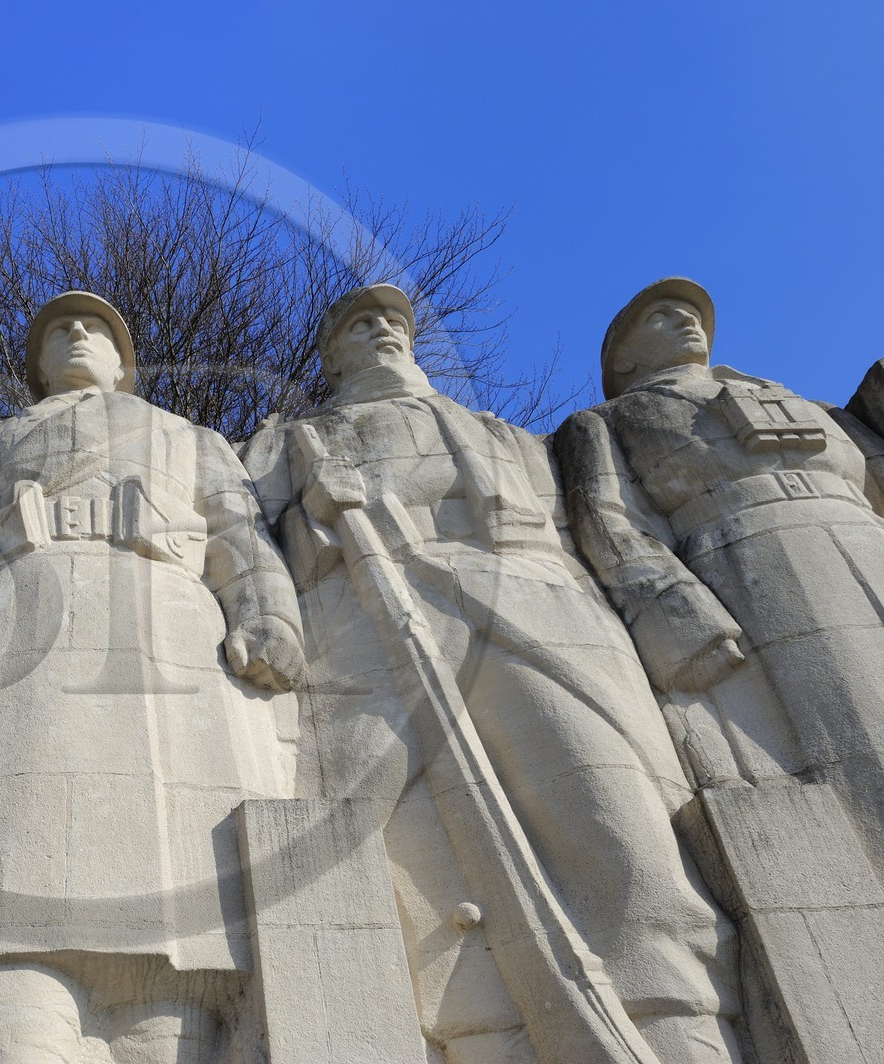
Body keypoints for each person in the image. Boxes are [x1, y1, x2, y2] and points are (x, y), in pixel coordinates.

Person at [244, 284, 740, 1063]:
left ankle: (679, 1025)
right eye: (359, 324)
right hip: (376, 635)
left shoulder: (511, 438)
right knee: (429, 880)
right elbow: (261, 567)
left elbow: (599, 536)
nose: (382, 330)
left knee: (624, 835)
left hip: (546, 621)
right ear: (331, 355)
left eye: (394, 322)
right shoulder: (291, 443)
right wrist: (316, 521)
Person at [0, 291, 304, 1063]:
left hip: (164, 617)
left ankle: (172, 1022)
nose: (75, 334)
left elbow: (237, 530)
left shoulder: (184, 435)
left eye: (93, 326)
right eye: (60, 328)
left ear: (123, 359)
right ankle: (5, 1005)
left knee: (180, 873)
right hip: (10, 611)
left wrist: (269, 617)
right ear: (33, 365)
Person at [557, 277, 884, 866]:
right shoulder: (609, 419)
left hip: (866, 534)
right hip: (753, 555)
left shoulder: (801, 401)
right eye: (661, 316)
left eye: (694, 314)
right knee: (856, 728)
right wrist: (681, 624)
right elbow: (608, 522)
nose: (688, 321)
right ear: (624, 359)